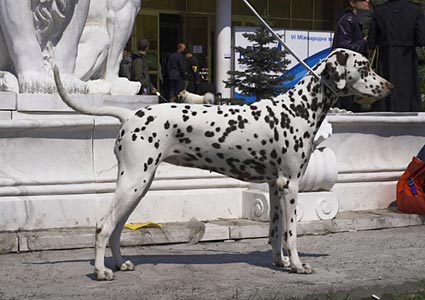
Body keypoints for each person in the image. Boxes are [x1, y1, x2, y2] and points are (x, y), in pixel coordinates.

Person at [367, 0, 425, 112]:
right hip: (407, 55)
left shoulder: (379, 10)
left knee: (385, 84)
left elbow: (372, 39)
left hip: (386, 55)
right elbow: (421, 38)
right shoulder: (416, 9)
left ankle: (385, 110)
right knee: (408, 86)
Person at [332, 0, 371, 112]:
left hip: (349, 71)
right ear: (353, 3)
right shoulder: (348, 20)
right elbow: (345, 47)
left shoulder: (353, 20)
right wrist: (365, 41)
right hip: (346, 72)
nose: (368, 1)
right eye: (363, 0)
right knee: (348, 106)